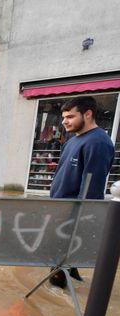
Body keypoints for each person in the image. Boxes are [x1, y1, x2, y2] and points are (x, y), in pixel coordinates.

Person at [48, 96, 115, 288]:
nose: (64, 121)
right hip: (60, 212)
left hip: (74, 217)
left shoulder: (98, 143)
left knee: (57, 272)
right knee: (65, 264)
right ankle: (77, 287)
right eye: (63, 117)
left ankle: (56, 306)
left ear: (88, 114)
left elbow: (92, 189)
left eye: (70, 116)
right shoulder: (73, 140)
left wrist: (79, 222)